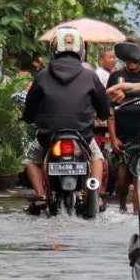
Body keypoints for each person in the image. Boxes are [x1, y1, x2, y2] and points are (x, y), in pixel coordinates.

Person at [22, 27, 110, 210]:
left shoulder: (42, 75)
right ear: (80, 49)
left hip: (48, 136)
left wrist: (29, 118)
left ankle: (40, 196)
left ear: (54, 49)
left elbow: (29, 108)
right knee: (96, 158)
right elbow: (104, 108)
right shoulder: (90, 75)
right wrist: (102, 115)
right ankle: (95, 196)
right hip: (83, 136)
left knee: (30, 160)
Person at [107, 41, 140, 212]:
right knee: (121, 178)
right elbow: (110, 108)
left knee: (138, 178)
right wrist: (113, 137)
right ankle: (121, 207)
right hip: (122, 136)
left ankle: (136, 216)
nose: (132, 63)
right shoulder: (116, 77)